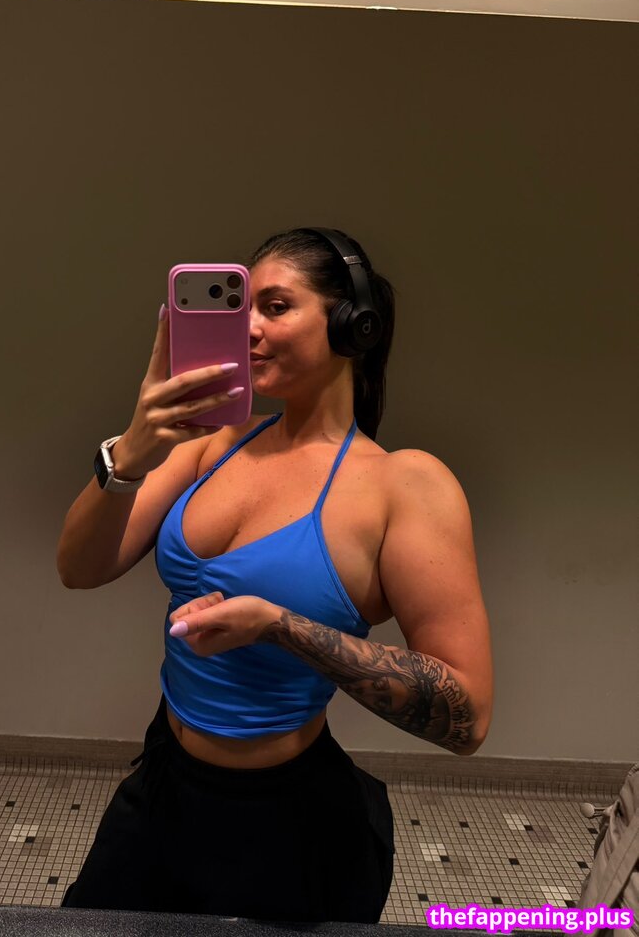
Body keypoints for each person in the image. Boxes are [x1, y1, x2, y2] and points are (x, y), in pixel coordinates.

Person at [55, 226, 494, 924]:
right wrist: (131, 453)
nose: (248, 328)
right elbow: (79, 569)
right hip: (165, 782)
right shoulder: (212, 443)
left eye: (276, 306)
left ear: (351, 324)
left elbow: (466, 718)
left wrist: (281, 627)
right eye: (242, 308)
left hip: (291, 822)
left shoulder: (404, 486)